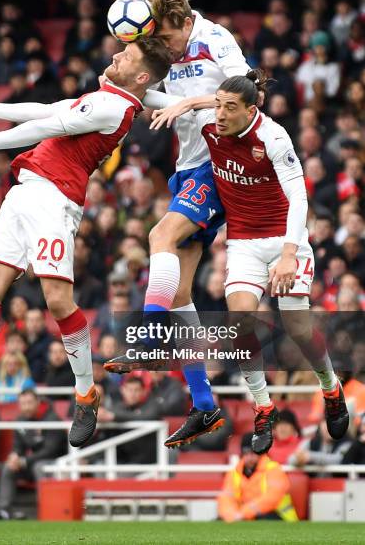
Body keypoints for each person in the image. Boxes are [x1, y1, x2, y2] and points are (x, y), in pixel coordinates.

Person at [0, 37, 172, 450]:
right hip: (24, 191)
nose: (115, 55)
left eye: (126, 56)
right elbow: (47, 110)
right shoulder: (104, 97)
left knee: (57, 301)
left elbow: (48, 127)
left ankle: (85, 394)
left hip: (56, 199)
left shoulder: (116, 106)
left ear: (142, 76)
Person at [148, 69, 349, 453]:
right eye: (217, 106)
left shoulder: (272, 136)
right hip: (243, 242)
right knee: (239, 322)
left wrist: (289, 255)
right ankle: (263, 407)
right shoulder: (211, 124)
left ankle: (331, 387)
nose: (220, 116)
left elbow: (299, 199)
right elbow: (176, 104)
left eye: (229, 109)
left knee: (299, 329)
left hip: (285, 241)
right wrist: (186, 101)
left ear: (250, 109)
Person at [105, 0, 250, 448]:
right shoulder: (169, 49)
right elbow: (156, 94)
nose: (165, 47)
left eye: (168, 37)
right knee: (182, 292)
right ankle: (204, 404)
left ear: (187, 22)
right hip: (189, 166)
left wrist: (191, 101)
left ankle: (147, 337)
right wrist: (118, 86)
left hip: (220, 163)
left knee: (159, 237)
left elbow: (248, 91)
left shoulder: (214, 38)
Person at [0, 389, 66, 520]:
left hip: (58, 463)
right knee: (8, 467)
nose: (26, 407)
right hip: (33, 462)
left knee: (39, 466)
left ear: (38, 402)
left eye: (29, 403)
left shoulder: (52, 419)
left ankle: (46, 510)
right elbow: (17, 446)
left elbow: (51, 450)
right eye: (22, 403)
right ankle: (4, 511)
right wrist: (14, 456)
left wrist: (24, 461)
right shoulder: (20, 420)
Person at [217, 432, 298, 522]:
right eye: (246, 453)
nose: (250, 457)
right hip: (247, 517)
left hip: (281, 518)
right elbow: (226, 498)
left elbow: (271, 498)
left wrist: (243, 514)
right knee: (219, 522)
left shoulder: (274, 469)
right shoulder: (234, 473)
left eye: (253, 453)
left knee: (263, 520)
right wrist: (231, 515)